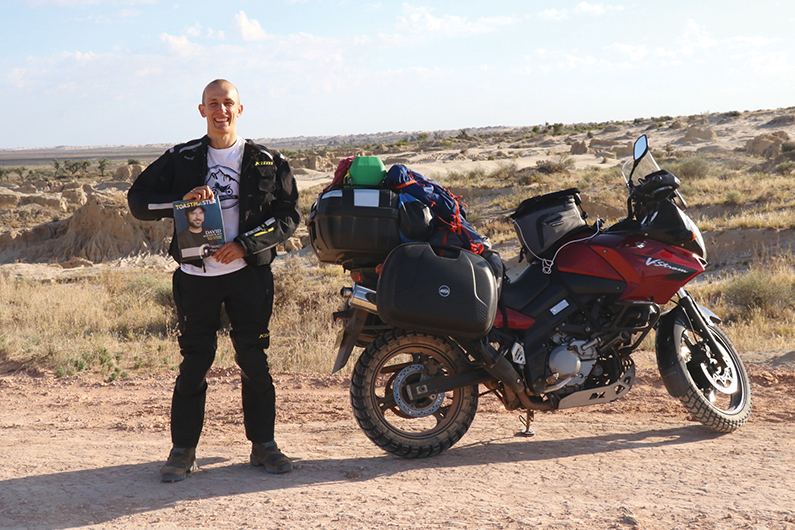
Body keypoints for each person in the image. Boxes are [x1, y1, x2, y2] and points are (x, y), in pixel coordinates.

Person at [127, 79, 300, 482]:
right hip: (196, 277)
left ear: (240, 110)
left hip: (248, 276)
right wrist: (182, 202)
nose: (221, 110)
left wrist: (244, 245)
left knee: (255, 362)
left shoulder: (267, 160)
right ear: (202, 110)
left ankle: (264, 446)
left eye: (228, 103)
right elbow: (138, 201)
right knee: (195, 364)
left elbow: (289, 215)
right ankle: (182, 451)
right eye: (213, 104)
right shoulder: (183, 158)